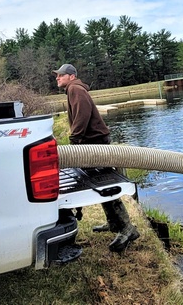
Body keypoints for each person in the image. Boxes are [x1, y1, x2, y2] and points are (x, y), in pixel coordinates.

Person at [54, 63, 140, 253]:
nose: (57, 78)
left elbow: (83, 114)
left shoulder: (75, 88)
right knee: (100, 184)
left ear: (71, 76)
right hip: (93, 141)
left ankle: (127, 228)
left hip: (94, 143)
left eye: (60, 75)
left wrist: (75, 139)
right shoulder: (73, 89)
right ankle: (114, 223)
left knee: (105, 184)